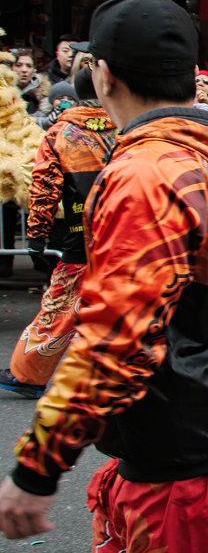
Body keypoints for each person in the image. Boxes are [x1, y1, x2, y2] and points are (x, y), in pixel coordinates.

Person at [0, 0, 208, 553]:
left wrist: (37, 466)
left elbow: (115, 343)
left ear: (101, 73)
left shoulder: (145, 174)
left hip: (183, 469)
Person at [0, 67, 116, 399]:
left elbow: (44, 186)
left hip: (80, 235)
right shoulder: (126, 127)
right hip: (125, 232)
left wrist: (36, 234)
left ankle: (27, 376)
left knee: (59, 307)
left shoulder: (60, 133)